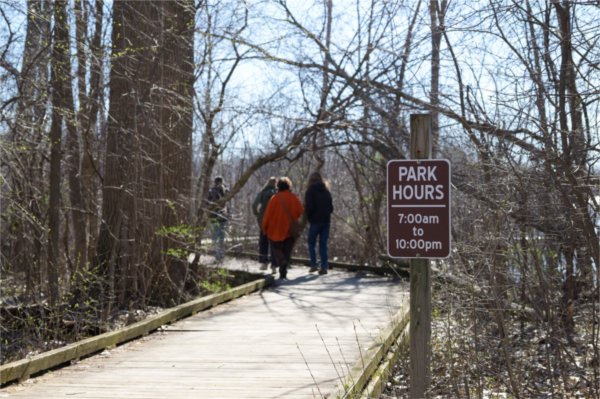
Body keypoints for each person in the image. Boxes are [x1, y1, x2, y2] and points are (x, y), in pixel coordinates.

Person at [261, 177, 304, 280]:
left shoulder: (274, 198)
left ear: (278, 186)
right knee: (287, 249)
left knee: (276, 247)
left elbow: (267, 215)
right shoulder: (293, 198)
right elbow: (300, 211)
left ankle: (282, 262)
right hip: (289, 228)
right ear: (289, 186)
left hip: (275, 228)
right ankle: (283, 269)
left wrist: (264, 227)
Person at [304, 172, 333, 275]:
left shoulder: (310, 191)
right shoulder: (326, 191)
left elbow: (309, 207)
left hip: (315, 221)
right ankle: (324, 266)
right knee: (323, 244)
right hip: (326, 221)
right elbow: (331, 208)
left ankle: (314, 265)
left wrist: (309, 217)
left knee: (311, 243)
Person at [252, 177, 277, 271]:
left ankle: (264, 263)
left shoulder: (262, 192)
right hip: (274, 222)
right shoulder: (277, 193)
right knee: (274, 243)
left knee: (263, 242)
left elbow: (254, 205)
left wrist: (257, 214)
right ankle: (274, 265)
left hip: (264, 221)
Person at [206, 176, 228, 262]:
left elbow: (207, 203)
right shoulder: (225, 190)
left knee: (215, 235)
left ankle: (217, 254)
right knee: (221, 236)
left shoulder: (211, 191)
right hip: (223, 216)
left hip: (213, 217)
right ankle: (220, 255)